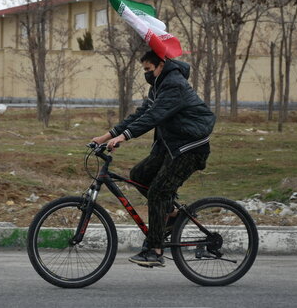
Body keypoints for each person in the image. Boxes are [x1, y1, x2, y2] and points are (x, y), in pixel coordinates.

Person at [91, 50, 215, 267]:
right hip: (172, 145)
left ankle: (155, 250)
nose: (146, 74)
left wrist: (124, 137)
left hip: (190, 148)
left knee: (158, 191)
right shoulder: (159, 84)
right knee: (139, 175)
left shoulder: (173, 85)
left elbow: (154, 117)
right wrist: (105, 137)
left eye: (149, 69)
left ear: (161, 65)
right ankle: (172, 216)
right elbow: (140, 114)